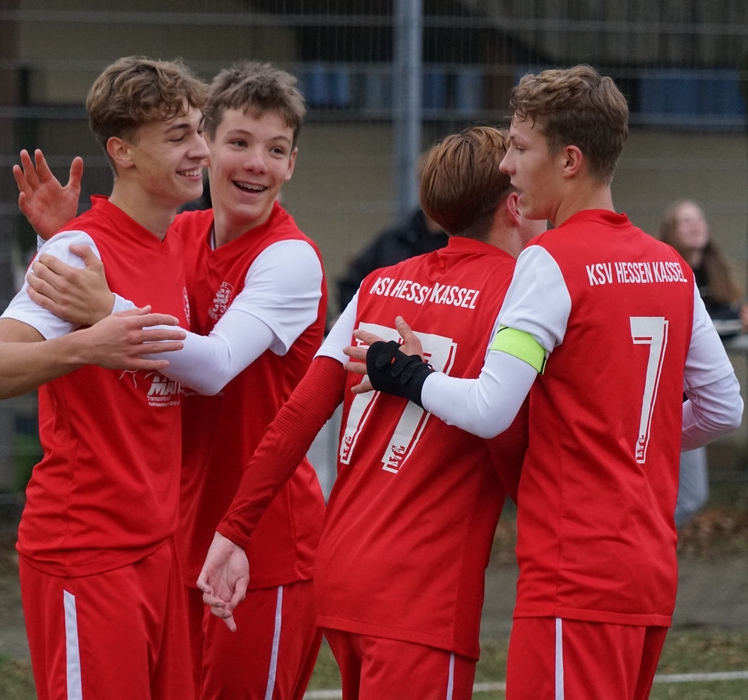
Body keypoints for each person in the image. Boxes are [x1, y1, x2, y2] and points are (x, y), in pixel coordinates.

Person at [344, 65, 744, 699]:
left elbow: (489, 409)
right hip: (648, 570)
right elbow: (723, 409)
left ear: (570, 161)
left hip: (573, 573)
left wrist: (407, 374)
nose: (507, 165)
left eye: (520, 147)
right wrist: (626, 442)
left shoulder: (548, 261)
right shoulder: (670, 266)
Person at [197, 125, 545, 700]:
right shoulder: (522, 297)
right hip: (422, 590)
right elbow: (516, 449)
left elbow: (296, 417)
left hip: (342, 570)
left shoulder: (381, 283)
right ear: (513, 204)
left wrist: (235, 529)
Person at [14, 61, 327, 700]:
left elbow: (212, 367)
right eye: (238, 142)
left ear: (292, 165)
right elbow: (116, 265)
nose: (255, 164)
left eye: (276, 150)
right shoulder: (175, 233)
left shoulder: (290, 258)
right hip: (176, 538)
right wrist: (69, 241)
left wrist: (106, 308)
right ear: (208, 145)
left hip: (261, 542)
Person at [0, 56, 210, 699]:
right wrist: (86, 346)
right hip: (87, 551)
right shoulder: (79, 252)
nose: (200, 151)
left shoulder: (170, 241)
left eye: (200, 131)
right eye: (178, 136)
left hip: (157, 546)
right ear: (121, 152)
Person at [659, 198, 748, 527]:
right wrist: (731, 323)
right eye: (685, 221)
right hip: (662, 400)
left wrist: (733, 321)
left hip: (689, 404)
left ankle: (642, 540)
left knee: (688, 496)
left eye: (698, 219)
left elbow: (720, 322)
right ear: (670, 231)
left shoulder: (713, 275)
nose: (695, 225)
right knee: (681, 494)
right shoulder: (664, 268)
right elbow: (701, 325)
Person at [334, 153, 447, 311]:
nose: (436, 194)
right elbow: (350, 286)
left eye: (443, 186)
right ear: (418, 188)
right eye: (428, 185)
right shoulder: (394, 239)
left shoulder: (463, 245)